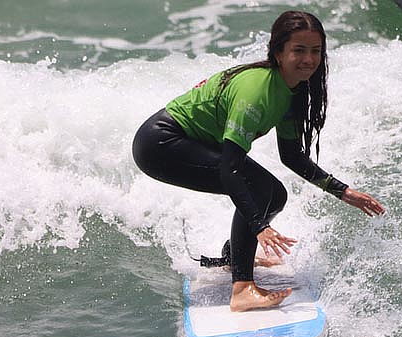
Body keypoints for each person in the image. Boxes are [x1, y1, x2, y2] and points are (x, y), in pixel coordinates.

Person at [132, 11, 385, 312]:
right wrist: (259, 226)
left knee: (275, 194)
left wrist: (343, 191)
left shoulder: (293, 91)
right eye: (298, 50)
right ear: (278, 52)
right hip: (160, 144)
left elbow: (291, 156)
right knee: (258, 189)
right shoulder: (256, 92)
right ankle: (242, 289)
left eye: (315, 51)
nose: (309, 59)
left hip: (186, 141)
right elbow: (230, 167)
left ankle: (233, 259)